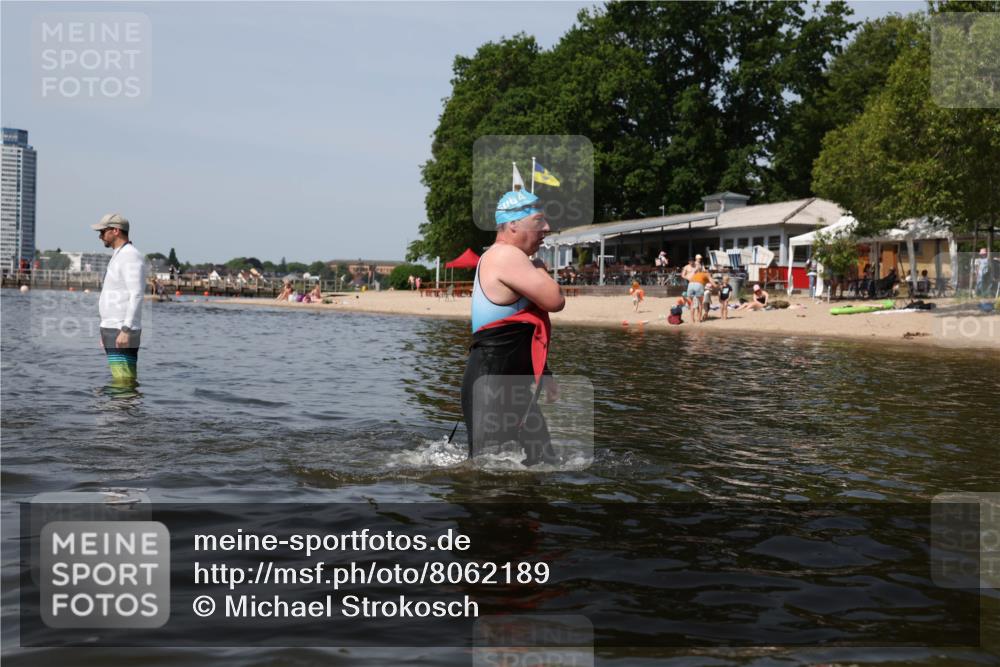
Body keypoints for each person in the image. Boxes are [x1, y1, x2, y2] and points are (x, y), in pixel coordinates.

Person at [461, 189, 565, 466]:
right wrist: (541, 267)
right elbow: (555, 300)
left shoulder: (505, 256)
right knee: (492, 480)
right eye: (539, 220)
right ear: (514, 224)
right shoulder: (507, 255)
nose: (547, 228)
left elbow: (516, 330)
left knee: (541, 462)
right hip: (494, 383)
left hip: (503, 381)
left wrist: (544, 372)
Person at [92, 213, 148, 384]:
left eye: (103, 231)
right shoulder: (119, 255)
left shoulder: (130, 256)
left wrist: (125, 329)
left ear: (115, 231)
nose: (100, 236)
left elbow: (136, 293)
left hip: (121, 329)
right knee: (120, 378)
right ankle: (118, 409)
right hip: (112, 327)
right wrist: (104, 327)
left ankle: (122, 410)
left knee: (124, 380)